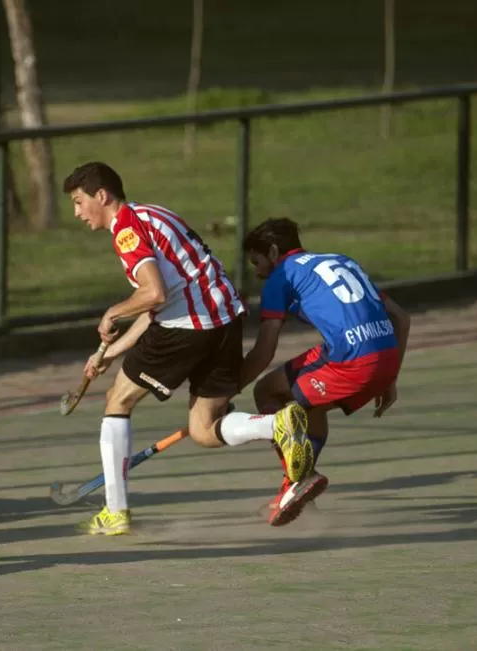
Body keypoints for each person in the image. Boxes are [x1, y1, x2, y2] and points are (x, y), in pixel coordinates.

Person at [64, 161, 313, 536]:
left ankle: (115, 512)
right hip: (225, 320)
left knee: (117, 400)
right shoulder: (154, 213)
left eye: (79, 201)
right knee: (203, 429)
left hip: (188, 328)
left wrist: (112, 313)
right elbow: (165, 298)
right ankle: (275, 424)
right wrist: (113, 352)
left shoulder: (127, 232)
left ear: (102, 196)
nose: (77, 212)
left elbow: (154, 294)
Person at [238, 217, 410, 526]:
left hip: (353, 362)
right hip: (385, 356)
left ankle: (299, 481)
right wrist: (391, 375)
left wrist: (227, 386)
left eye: (257, 261)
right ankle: (296, 487)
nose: (257, 271)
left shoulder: (281, 276)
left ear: (274, 252)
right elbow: (400, 317)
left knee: (265, 390)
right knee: (307, 405)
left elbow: (265, 351)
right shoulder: (341, 260)